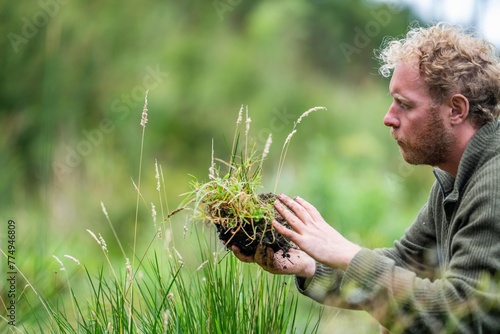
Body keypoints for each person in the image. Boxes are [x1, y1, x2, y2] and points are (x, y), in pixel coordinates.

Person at [230, 23, 500, 333]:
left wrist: (348, 254)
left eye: (405, 104)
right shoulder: (454, 179)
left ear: (456, 109)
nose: (389, 118)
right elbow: (404, 264)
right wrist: (311, 266)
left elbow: (467, 316)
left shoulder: (493, 182)